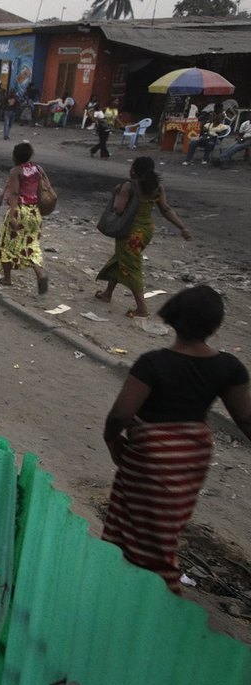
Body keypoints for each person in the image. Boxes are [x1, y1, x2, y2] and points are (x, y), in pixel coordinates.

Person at [101, 285, 251, 594]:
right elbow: (246, 419)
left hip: (149, 455)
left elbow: (121, 414)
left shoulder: (152, 363)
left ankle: (143, 589)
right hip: (190, 458)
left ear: (173, 318)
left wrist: (113, 440)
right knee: (165, 528)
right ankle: (151, 583)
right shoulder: (229, 368)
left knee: (132, 522)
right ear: (215, 324)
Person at [95, 156, 192, 317]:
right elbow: (166, 209)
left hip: (129, 231)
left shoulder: (129, 186)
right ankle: (107, 294)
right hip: (146, 231)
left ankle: (142, 308)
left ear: (133, 169)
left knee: (131, 267)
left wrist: (116, 193)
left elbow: (118, 209)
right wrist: (182, 227)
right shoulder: (157, 187)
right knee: (122, 259)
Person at [0, 142, 49, 294]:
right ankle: (40, 271)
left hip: (20, 210)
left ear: (15, 156)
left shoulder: (16, 171)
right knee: (32, 245)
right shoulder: (37, 169)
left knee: (7, 244)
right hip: (34, 212)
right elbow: (40, 192)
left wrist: (13, 216)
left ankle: (7, 278)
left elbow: (14, 194)